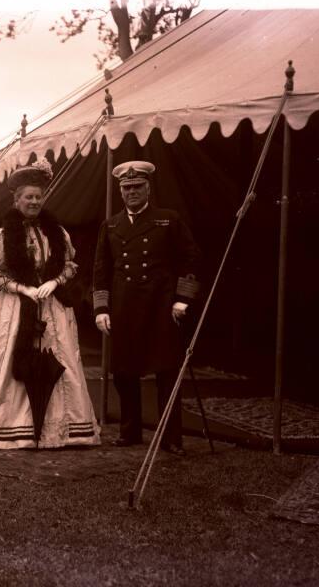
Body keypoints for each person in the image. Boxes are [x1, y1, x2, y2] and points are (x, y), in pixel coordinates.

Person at [0, 160, 101, 449]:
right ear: (16, 200)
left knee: (62, 359)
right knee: (13, 362)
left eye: (38, 197)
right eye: (28, 197)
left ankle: (65, 430)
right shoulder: (3, 236)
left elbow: (70, 266)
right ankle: (15, 430)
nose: (34, 201)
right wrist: (23, 289)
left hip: (53, 307)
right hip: (16, 308)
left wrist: (54, 283)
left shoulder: (56, 233)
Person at [93, 161, 202, 455]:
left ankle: (171, 437)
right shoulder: (111, 225)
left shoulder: (168, 220)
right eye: (127, 188)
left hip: (160, 306)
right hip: (124, 307)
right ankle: (130, 432)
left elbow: (190, 259)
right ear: (120, 192)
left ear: (148, 188)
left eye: (137, 187)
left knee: (166, 372)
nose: (132, 193)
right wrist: (101, 309)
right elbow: (101, 270)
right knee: (124, 373)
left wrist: (183, 299)